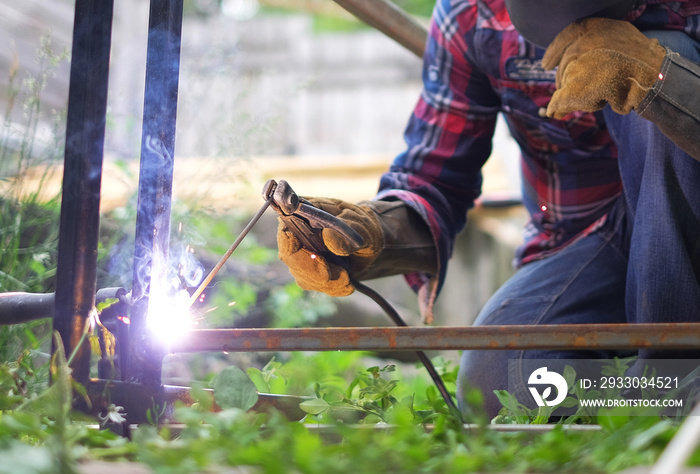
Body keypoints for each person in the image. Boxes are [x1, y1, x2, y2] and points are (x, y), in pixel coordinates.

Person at [276, 0, 700, 418]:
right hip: (594, 238)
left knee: (666, 58)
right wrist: (372, 233)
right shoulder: (473, 16)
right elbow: (437, 176)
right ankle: (656, 395)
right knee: (500, 381)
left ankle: (675, 371)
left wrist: (663, 81)